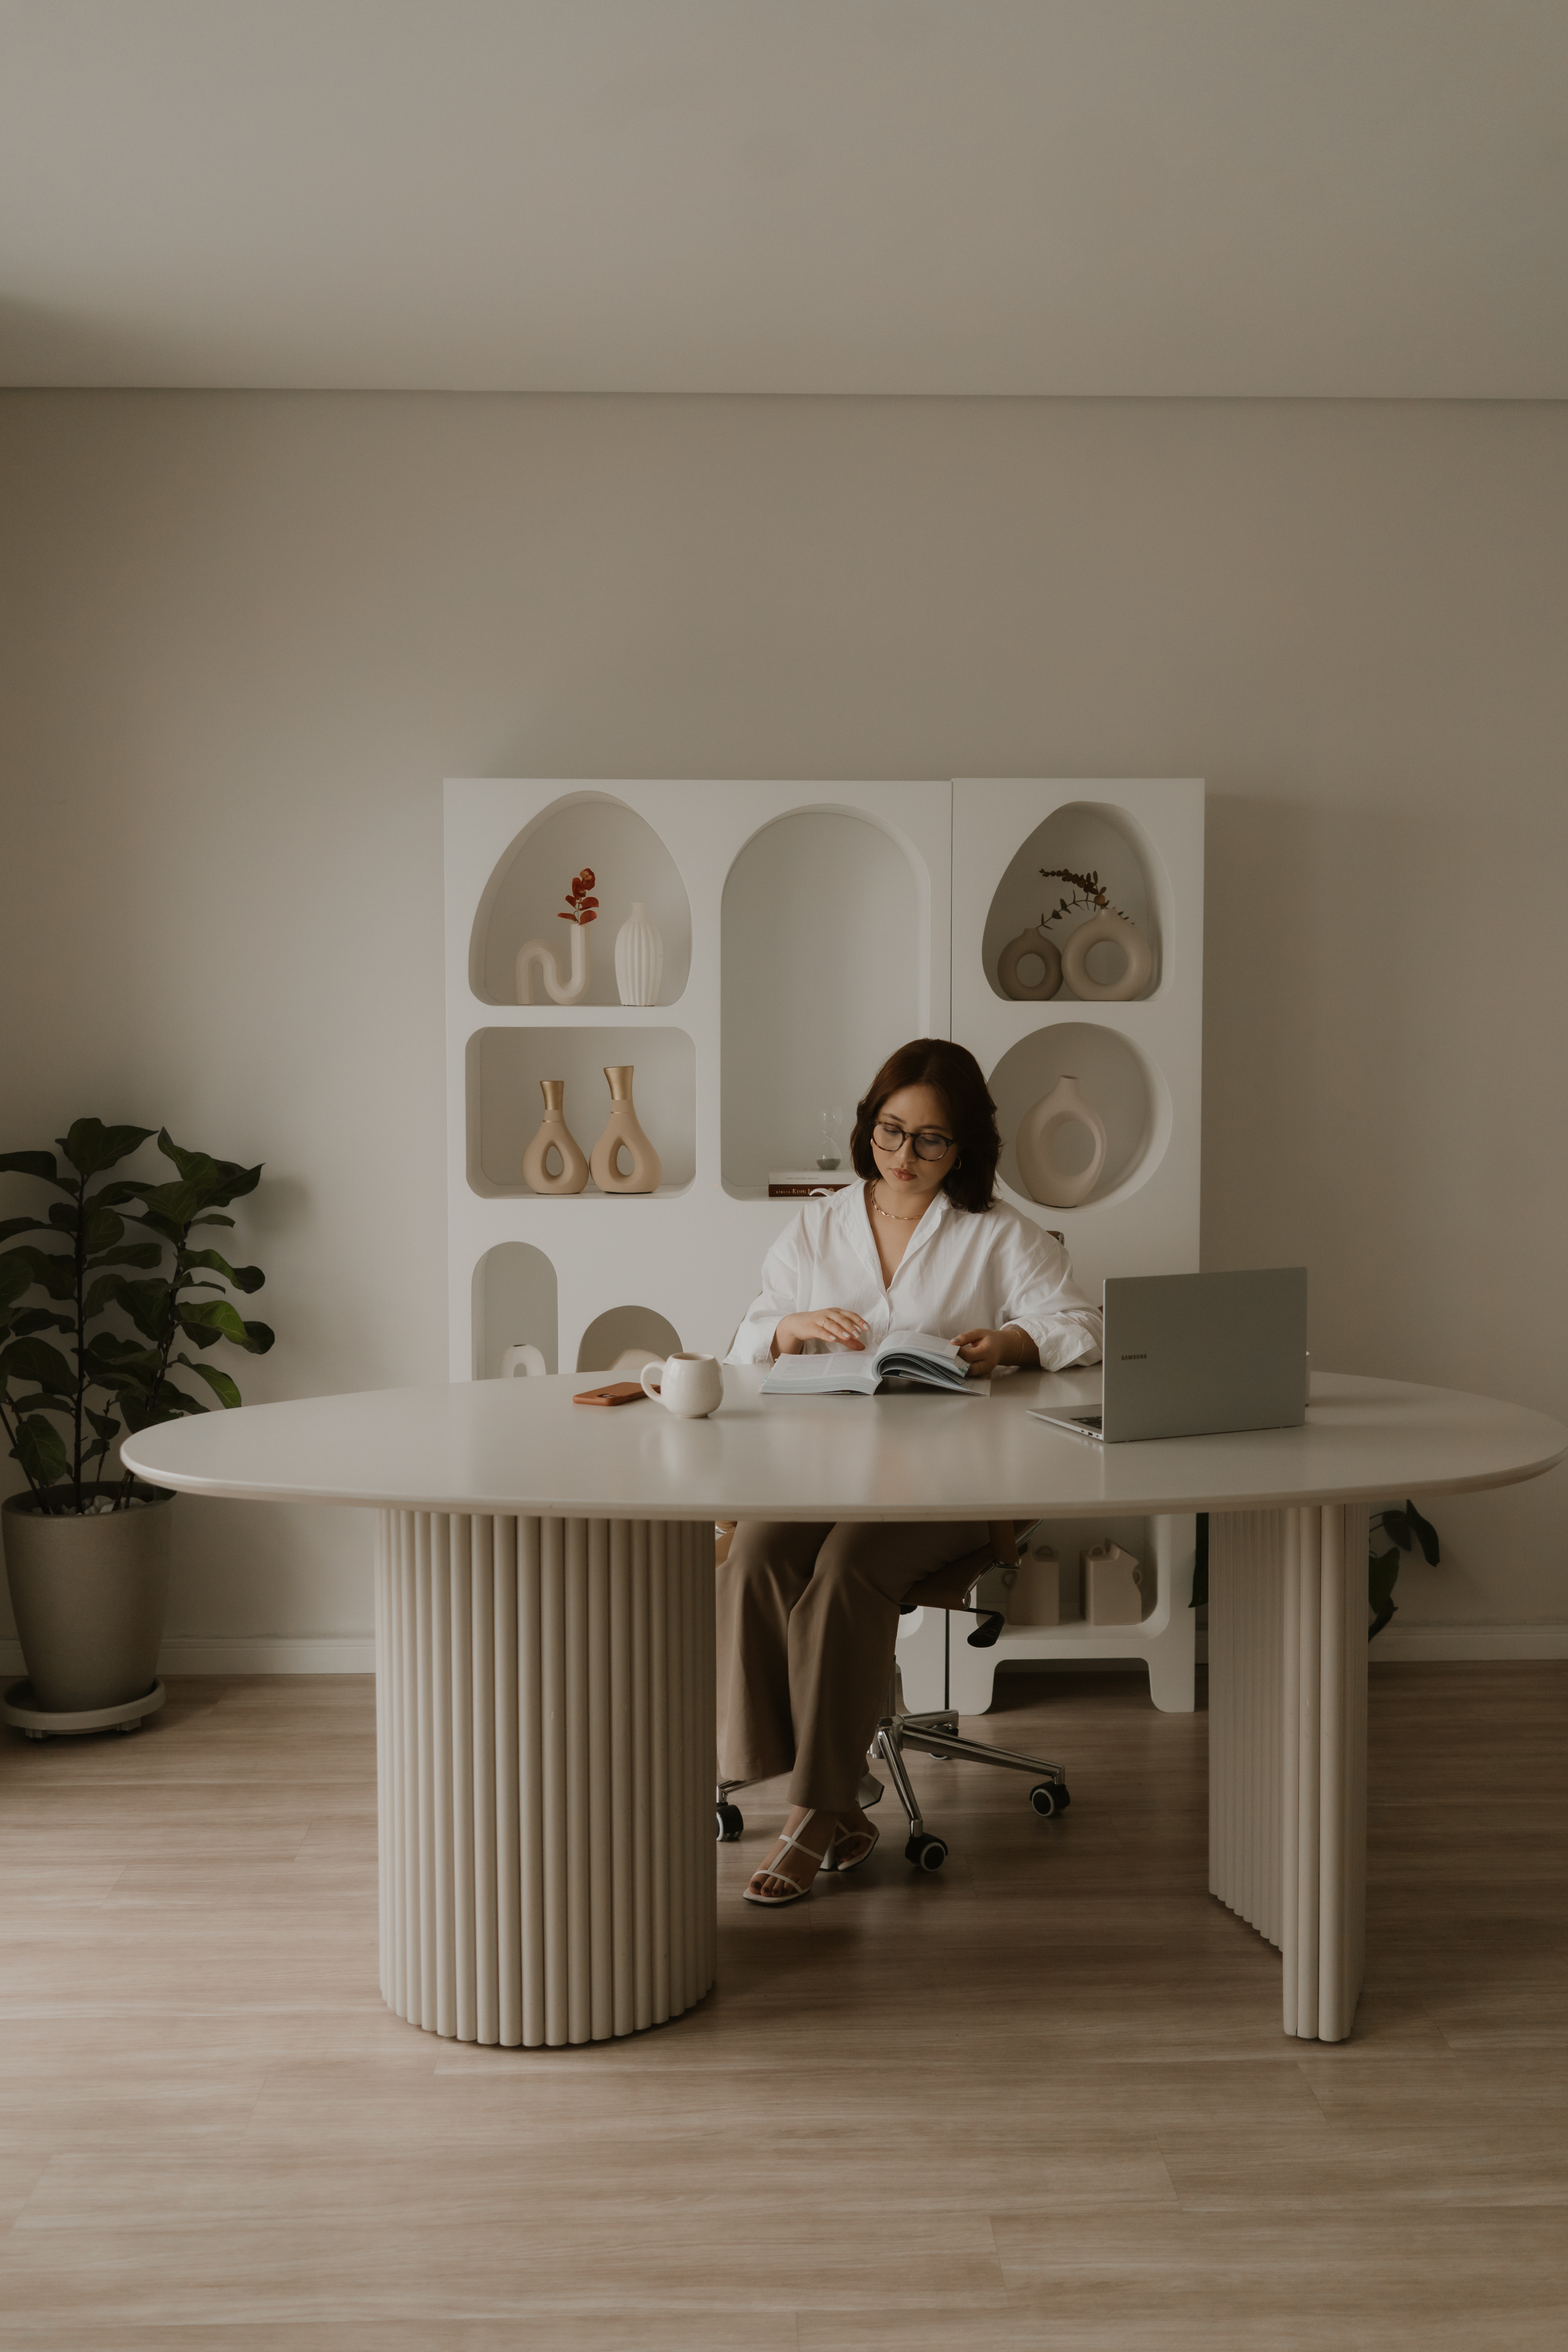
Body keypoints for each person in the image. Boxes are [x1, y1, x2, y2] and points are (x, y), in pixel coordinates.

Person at [720, 1038, 1102, 1907]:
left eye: (931, 1140)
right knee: (755, 1557)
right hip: (823, 1471)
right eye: (892, 1132)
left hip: (951, 1482)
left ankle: (814, 1812)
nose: (905, 1156)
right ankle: (831, 1786)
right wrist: (787, 1330)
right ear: (870, 1127)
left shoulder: (997, 1232)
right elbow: (746, 1338)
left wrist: (1011, 1342)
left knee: (848, 1569)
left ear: (962, 1148)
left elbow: (1084, 1326)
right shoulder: (818, 1224)